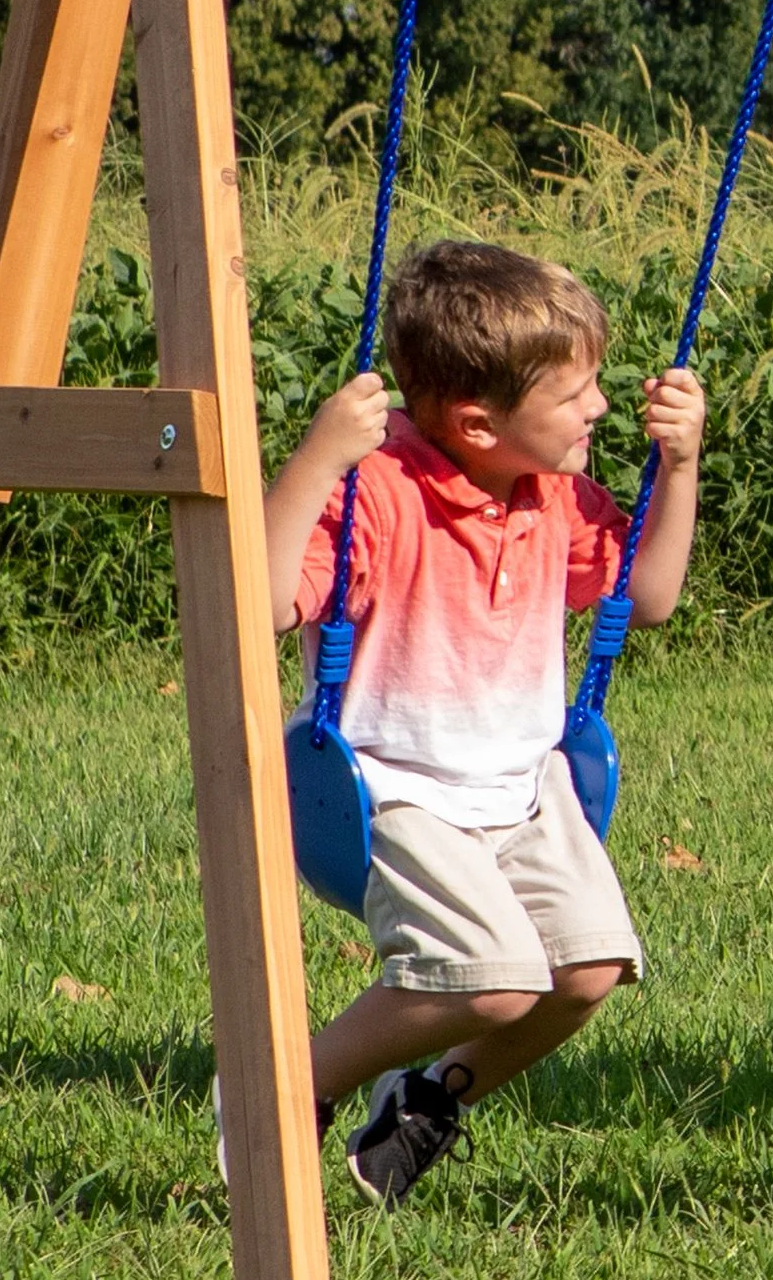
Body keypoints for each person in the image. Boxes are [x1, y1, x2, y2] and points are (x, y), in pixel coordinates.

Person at [251, 240, 707, 1207]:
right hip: (395, 788)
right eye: (575, 394)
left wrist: (682, 463)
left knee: (587, 969)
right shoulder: (378, 494)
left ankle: (423, 1100)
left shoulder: (556, 496)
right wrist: (323, 453)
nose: (600, 408)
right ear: (478, 422)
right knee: (494, 981)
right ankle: (281, 1092)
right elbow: (254, 601)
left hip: (523, 785)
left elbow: (652, 596)